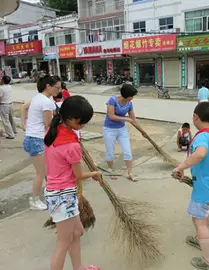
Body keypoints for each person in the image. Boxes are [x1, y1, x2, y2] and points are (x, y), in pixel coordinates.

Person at [44, 96, 102, 270]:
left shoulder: (52, 131)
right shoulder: (71, 145)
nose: (82, 126)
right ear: (69, 119)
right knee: (63, 242)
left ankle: (79, 267)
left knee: (77, 232)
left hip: (58, 192)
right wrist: (96, 173)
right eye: (80, 122)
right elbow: (80, 175)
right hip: (63, 195)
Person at [172, 102, 209, 269]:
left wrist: (180, 167)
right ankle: (200, 238)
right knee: (203, 214)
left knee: (198, 220)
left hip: (205, 187)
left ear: (195, 117)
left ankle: (208, 261)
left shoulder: (201, 136)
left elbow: (200, 153)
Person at [21, 75, 61, 210]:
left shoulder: (37, 97)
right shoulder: (46, 102)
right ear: (48, 86)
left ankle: (52, 193)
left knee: (46, 171)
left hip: (31, 138)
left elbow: (24, 108)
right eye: (57, 87)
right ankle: (34, 200)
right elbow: (49, 124)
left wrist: (24, 124)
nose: (59, 90)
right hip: (37, 139)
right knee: (41, 173)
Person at [103, 83, 144, 182]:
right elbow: (111, 116)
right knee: (110, 152)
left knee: (127, 151)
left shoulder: (129, 104)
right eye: (131, 96)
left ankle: (130, 173)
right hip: (109, 129)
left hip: (121, 129)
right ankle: (111, 170)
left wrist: (142, 131)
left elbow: (133, 119)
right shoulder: (112, 100)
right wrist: (126, 119)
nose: (132, 98)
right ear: (126, 95)